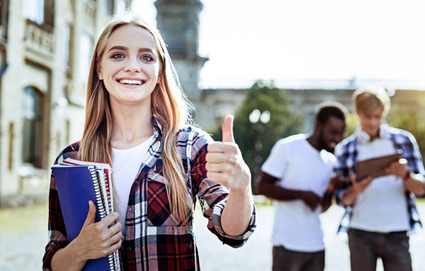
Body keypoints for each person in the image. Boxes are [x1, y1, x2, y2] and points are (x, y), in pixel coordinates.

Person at [42, 14, 256, 271]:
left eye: (146, 57)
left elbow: (232, 233)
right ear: (99, 68)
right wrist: (80, 250)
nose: (132, 66)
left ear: (159, 72)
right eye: (118, 55)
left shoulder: (189, 146)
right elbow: (54, 261)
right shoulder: (70, 160)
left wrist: (242, 188)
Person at [334, 87, 425, 271]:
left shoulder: (404, 140)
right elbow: (341, 199)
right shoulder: (345, 149)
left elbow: (421, 189)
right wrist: (356, 189)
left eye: (378, 116)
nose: (373, 122)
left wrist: (406, 175)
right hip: (361, 233)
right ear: (358, 113)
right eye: (368, 117)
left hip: (398, 232)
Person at [256, 102, 347, 271]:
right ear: (318, 126)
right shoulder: (288, 147)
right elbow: (263, 187)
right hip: (286, 244)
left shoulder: (330, 161)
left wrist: (329, 190)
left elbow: (322, 208)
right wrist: (302, 195)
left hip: (317, 245)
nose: (338, 138)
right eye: (333, 132)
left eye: (341, 133)